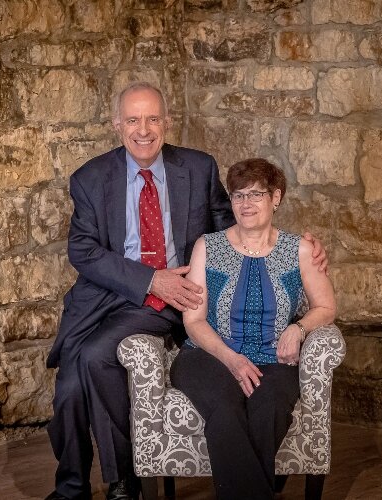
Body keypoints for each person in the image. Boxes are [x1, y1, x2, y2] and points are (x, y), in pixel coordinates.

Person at [44, 83, 328, 500]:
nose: (144, 130)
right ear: (117, 124)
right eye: (133, 120)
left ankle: (123, 482)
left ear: (167, 121)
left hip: (172, 296)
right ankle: (71, 488)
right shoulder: (90, 178)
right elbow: (82, 250)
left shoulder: (196, 167)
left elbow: (230, 224)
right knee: (69, 385)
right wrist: (148, 278)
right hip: (106, 296)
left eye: (153, 118)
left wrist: (296, 248)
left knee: (94, 357)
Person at [170, 158, 337, 500]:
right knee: (225, 412)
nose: (245, 204)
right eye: (238, 195)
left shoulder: (300, 251)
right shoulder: (208, 247)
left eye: (256, 194)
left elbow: (326, 307)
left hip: (274, 358)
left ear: (275, 198)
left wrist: (299, 329)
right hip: (208, 355)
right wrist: (231, 359)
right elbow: (194, 321)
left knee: (269, 409)